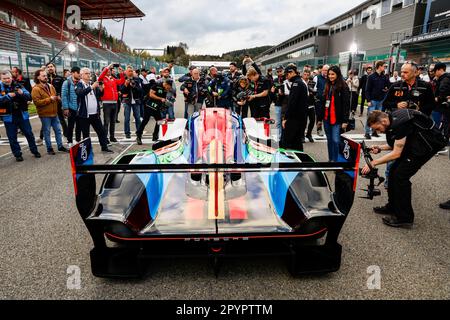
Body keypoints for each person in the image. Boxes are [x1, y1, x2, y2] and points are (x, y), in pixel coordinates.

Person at [362, 109, 447, 227]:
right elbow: (397, 143)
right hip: (415, 143)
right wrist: (380, 148)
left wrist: (373, 163)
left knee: (400, 176)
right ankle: (392, 207)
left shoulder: (400, 123)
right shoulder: (392, 119)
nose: (378, 131)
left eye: (377, 128)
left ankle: (405, 218)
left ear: (384, 121)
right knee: (392, 171)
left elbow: (396, 153)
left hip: (427, 146)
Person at [0, 70, 40, 161]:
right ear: (1, 79)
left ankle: (34, 150)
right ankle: (17, 154)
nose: (7, 80)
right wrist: (8, 96)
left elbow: (29, 96)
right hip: (8, 117)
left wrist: (22, 93)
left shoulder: (18, 85)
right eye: (4, 79)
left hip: (22, 115)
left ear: (11, 77)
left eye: (8, 78)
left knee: (29, 134)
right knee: (12, 137)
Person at [75, 68, 113, 153]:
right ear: (81, 75)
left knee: (101, 131)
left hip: (95, 114)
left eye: (89, 73)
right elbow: (80, 93)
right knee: (86, 134)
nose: (89, 75)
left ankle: (104, 147)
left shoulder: (92, 84)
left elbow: (98, 96)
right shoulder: (79, 85)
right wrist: (92, 87)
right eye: (86, 73)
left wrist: (101, 90)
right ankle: (87, 151)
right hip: (84, 114)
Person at [31, 69, 68, 155]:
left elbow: (55, 96)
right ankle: (49, 148)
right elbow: (37, 102)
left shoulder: (51, 86)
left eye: (46, 75)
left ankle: (60, 146)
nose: (45, 77)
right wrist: (50, 99)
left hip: (54, 113)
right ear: (38, 77)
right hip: (45, 114)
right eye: (43, 76)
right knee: (47, 132)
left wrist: (58, 99)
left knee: (58, 131)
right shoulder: (35, 89)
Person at [321, 65, 350, 162]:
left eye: (332, 74)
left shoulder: (343, 86)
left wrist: (345, 120)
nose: (330, 76)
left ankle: (337, 161)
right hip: (326, 118)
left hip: (337, 119)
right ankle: (331, 160)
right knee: (329, 140)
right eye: (329, 74)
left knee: (336, 140)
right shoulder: (327, 85)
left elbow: (346, 105)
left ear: (337, 74)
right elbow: (324, 102)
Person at [136, 79, 174, 144]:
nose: (168, 89)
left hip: (157, 107)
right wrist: (160, 99)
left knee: (159, 121)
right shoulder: (156, 85)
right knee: (145, 120)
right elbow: (151, 95)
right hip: (149, 106)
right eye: (168, 87)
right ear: (166, 84)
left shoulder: (165, 90)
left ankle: (155, 136)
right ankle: (139, 136)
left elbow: (163, 99)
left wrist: (166, 102)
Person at [281, 65, 308, 151]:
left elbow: (292, 103)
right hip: (300, 118)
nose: (286, 76)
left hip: (295, 119)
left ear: (292, 72)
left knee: (286, 142)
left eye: (287, 74)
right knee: (297, 142)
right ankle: (301, 162)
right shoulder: (300, 82)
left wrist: (285, 118)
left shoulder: (297, 83)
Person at [97, 63, 125, 143]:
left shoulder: (113, 78)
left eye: (109, 70)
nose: (109, 71)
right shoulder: (102, 79)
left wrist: (121, 73)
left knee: (113, 121)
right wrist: (108, 66)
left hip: (114, 102)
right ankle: (105, 138)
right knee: (106, 122)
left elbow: (121, 82)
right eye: (107, 70)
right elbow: (99, 77)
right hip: (106, 103)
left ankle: (112, 137)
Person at [364, 61, 391, 139]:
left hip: (381, 100)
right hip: (372, 100)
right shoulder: (371, 77)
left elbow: (389, 85)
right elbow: (367, 89)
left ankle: (374, 131)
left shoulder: (384, 77)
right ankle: (367, 132)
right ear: (379, 66)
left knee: (378, 118)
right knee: (370, 117)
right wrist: (368, 100)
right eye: (384, 66)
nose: (385, 68)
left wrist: (387, 89)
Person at [61, 66, 82, 147]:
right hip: (71, 108)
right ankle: (69, 141)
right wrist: (65, 108)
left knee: (79, 126)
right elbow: (64, 96)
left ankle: (78, 140)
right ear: (73, 73)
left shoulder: (80, 82)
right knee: (70, 126)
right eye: (78, 73)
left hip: (80, 108)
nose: (79, 74)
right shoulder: (67, 83)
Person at [46, 63, 68, 138]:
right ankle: (41, 136)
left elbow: (63, 90)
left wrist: (60, 96)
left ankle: (67, 134)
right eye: (48, 67)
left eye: (51, 66)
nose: (50, 68)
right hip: (48, 102)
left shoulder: (60, 78)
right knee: (46, 120)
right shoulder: (45, 78)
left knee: (61, 118)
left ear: (54, 68)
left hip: (58, 102)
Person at [120, 66, 143, 139]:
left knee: (137, 118)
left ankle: (139, 132)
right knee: (127, 118)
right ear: (126, 72)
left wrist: (134, 86)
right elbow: (121, 90)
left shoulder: (137, 79)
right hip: (127, 101)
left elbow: (140, 90)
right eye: (129, 71)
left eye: (131, 71)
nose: (130, 72)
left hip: (136, 101)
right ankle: (127, 132)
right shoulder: (123, 80)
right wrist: (126, 85)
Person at [433, 62, 450, 155]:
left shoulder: (445, 79)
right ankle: (441, 145)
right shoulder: (443, 78)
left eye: (435, 71)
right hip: (443, 107)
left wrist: (438, 98)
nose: (434, 73)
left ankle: (440, 146)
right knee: (442, 126)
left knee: (438, 126)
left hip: (441, 107)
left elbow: (442, 91)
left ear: (440, 70)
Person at [272, 65, 287, 140]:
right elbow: (273, 91)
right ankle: (279, 138)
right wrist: (272, 91)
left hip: (286, 103)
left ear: (283, 70)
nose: (279, 73)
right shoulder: (275, 80)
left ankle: (285, 138)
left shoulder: (287, 78)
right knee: (278, 122)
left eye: (280, 71)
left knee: (284, 122)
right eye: (277, 71)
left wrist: (282, 93)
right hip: (278, 103)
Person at [313, 65, 329, 137]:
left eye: (327, 70)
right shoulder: (317, 78)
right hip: (319, 100)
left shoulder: (330, 78)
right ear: (321, 70)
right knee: (319, 115)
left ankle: (326, 128)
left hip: (328, 100)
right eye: (324, 70)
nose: (325, 72)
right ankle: (319, 129)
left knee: (326, 114)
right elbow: (313, 89)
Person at [302, 68, 316, 143]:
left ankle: (309, 134)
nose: (306, 76)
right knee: (304, 121)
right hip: (303, 104)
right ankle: (302, 136)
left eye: (308, 75)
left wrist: (313, 93)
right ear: (302, 74)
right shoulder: (300, 82)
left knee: (312, 120)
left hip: (311, 104)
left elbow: (315, 91)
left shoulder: (312, 82)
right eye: (305, 74)